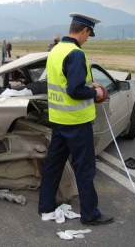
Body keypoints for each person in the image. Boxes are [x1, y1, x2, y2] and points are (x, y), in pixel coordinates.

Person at [38, 12, 113, 226]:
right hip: (77, 123)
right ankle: (90, 214)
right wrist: (96, 93)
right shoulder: (76, 53)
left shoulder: (56, 50)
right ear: (84, 30)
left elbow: (61, 83)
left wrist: (86, 88)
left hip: (59, 120)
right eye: (89, 34)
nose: (88, 38)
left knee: (54, 165)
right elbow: (74, 90)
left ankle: (46, 206)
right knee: (85, 169)